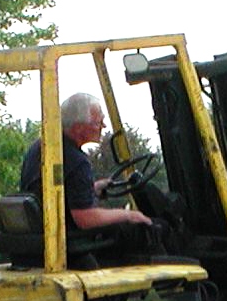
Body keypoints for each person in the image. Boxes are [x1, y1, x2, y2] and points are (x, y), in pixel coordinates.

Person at [20, 93, 153, 232]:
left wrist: (93, 188)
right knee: (144, 230)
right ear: (78, 127)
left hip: (42, 231)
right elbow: (84, 218)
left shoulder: (42, 148)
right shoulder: (76, 161)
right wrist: (128, 214)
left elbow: (55, 192)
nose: (104, 125)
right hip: (66, 238)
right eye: (98, 122)